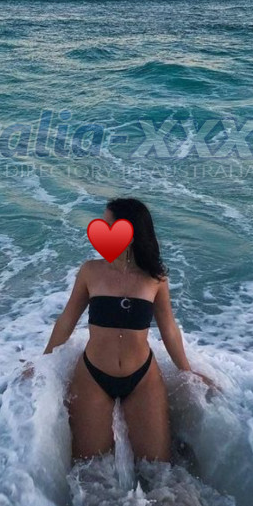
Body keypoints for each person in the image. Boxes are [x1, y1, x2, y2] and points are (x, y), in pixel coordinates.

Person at [29, 196, 217, 464]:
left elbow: (169, 329)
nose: (101, 231)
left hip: (143, 378)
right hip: (93, 376)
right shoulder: (91, 271)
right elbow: (67, 320)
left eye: (108, 225)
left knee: (158, 469)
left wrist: (188, 372)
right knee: (90, 470)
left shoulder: (155, 278)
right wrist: (43, 363)